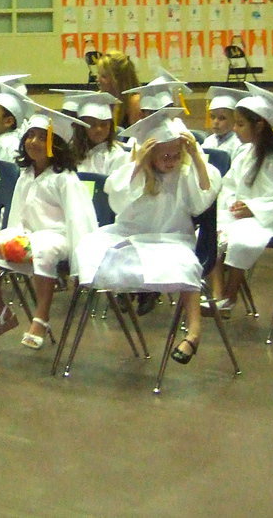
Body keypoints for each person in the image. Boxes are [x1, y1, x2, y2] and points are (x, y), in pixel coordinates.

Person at [74, 108, 220, 365]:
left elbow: (202, 200)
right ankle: (130, 301)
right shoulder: (135, 171)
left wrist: (196, 157)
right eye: (164, 155)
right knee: (88, 250)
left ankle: (194, 332)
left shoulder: (185, 173)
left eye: (176, 155)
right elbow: (118, 201)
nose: (171, 161)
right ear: (149, 153)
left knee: (186, 267)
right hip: (132, 236)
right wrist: (138, 164)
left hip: (172, 238)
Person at [0, 105, 97, 349]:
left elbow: (79, 219)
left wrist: (82, 264)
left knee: (44, 250)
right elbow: (17, 215)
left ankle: (41, 318)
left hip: (58, 238)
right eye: (30, 136)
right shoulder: (26, 174)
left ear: (55, 144)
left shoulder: (65, 178)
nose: (33, 141)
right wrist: (10, 238)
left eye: (41, 137)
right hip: (28, 236)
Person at [209, 84, 273, 315]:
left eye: (241, 124)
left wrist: (253, 208)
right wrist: (233, 204)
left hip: (269, 220)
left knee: (241, 240)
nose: (235, 129)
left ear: (259, 125)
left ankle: (229, 297)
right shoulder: (245, 154)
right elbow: (229, 186)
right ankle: (217, 295)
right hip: (240, 215)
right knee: (210, 232)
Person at [68, 91, 129, 174]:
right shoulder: (70, 153)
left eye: (104, 124)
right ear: (82, 127)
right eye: (92, 124)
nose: (99, 129)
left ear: (110, 126)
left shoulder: (118, 156)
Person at [95, 50, 142, 128]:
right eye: (98, 74)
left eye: (103, 76)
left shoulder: (135, 103)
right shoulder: (99, 99)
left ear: (118, 80)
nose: (97, 79)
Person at [202, 86, 246, 160]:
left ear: (235, 119)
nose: (215, 122)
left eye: (222, 118)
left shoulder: (240, 144)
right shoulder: (208, 141)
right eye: (212, 117)